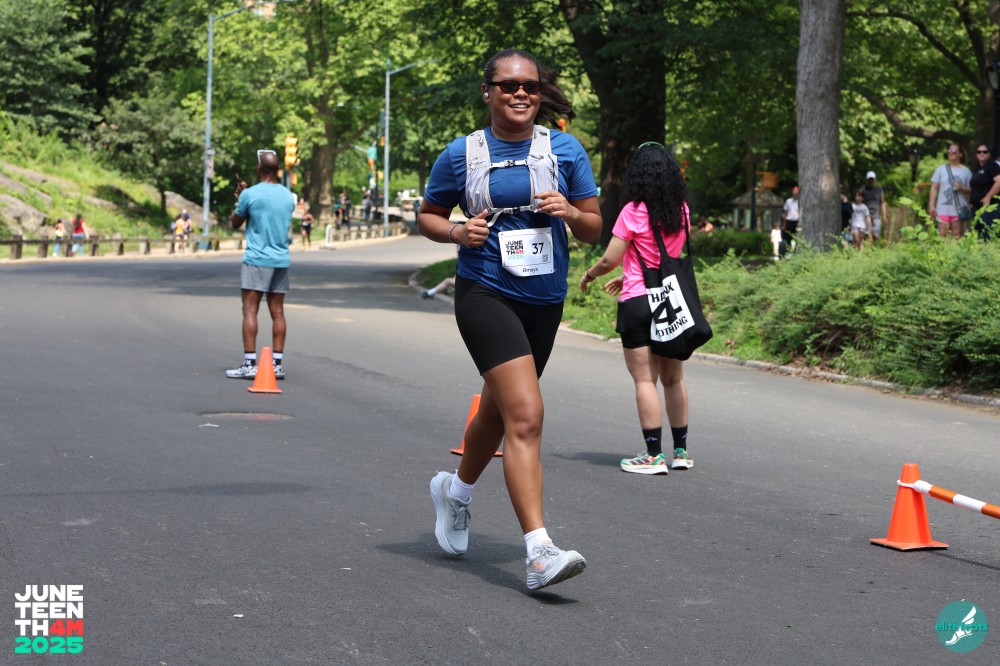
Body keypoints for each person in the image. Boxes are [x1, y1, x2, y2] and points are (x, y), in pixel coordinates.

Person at [417, 48, 601, 591]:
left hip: (544, 297)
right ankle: (539, 551)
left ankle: (455, 492)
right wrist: (457, 232)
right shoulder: (462, 153)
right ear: (488, 91)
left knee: (499, 412)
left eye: (531, 86)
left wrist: (570, 211)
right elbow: (428, 215)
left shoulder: (565, 149)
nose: (521, 93)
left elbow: (594, 227)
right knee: (527, 413)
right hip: (485, 291)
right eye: (509, 85)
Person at [579, 142, 694, 476]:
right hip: (670, 300)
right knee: (674, 379)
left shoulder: (632, 211)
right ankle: (681, 452)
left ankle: (653, 455)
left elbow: (609, 258)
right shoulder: (682, 210)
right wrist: (627, 274)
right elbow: (665, 257)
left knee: (645, 379)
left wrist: (590, 274)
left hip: (638, 302)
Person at [226, 149, 296, 381]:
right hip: (281, 260)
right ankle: (276, 365)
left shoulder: (250, 194)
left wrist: (241, 198)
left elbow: (235, 223)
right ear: (278, 169)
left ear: (259, 168)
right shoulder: (288, 196)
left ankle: (249, 364)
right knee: (278, 312)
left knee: (250, 310)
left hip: (257, 259)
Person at [929, 143, 973, 238]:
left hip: (958, 209)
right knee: (942, 236)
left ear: (960, 154)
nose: (950, 152)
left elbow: (971, 190)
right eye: (949, 150)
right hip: (942, 209)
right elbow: (934, 187)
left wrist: (961, 188)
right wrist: (931, 205)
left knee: (956, 236)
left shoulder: (966, 171)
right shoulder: (941, 169)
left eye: (953, 151)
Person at [969, 143, 1000, 241]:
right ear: (976, 154)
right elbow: (975, 187)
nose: (981, 153)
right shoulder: (976, 168)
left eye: (984, 152)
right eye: (979, 152)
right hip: (977, 208)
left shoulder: (992, 165)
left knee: (988, 235)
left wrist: (988, 196)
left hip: (989, 208)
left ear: (989, 154)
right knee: (978, 236)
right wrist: (971, 201)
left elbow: (999, 181)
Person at [863, 171, 888, 242]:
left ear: (875, 180)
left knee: (876, 235)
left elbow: (882, 202)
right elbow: (858, 200)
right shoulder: (863, 189)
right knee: (867, 234)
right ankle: (867, 247)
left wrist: (884, 215)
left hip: (876, 214)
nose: (871, 181)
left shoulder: (879, 190)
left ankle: (874, 245)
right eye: (869, 179)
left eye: (872, 179)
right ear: (867, 180)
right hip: (866, 215)